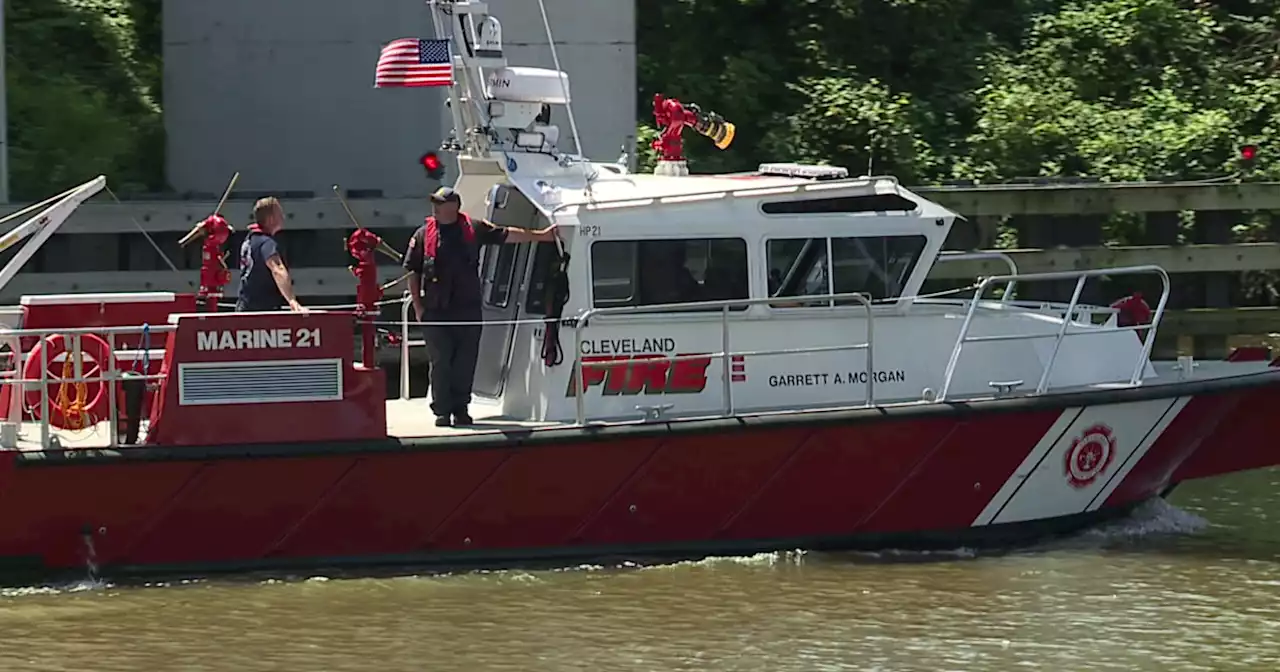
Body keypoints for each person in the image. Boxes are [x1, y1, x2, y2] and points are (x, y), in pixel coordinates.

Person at [403, 186, 556, 427]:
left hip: (467, 309)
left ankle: (461, 408)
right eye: (434, 203)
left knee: (465, 361)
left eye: (439, 203)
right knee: (441, 361)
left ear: (454, 207)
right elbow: (413, 270)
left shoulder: (473, 228)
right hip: (436, 311)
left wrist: (542, 236)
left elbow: (507, 235)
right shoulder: (423, 234)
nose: (435, 207)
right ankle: (442, 411)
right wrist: (418, 307)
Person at [236, 196, 306, 313]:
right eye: (279, 213)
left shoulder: (249, 240)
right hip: (260, 311)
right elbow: (277, 269)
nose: (283, 217)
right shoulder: (267, 243)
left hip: (244, 307)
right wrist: (292, 301)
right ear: (271, 218)